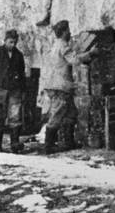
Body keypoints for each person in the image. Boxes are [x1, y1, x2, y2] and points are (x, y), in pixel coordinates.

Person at [40, 20, 96, 154]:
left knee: (71, 113)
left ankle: (68, 142)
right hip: (60, 86)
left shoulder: (55, 45)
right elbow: (74, 60)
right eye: (68, 30)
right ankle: (49, 145)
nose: (70, 32)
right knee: (57, 114)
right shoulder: (63, 45)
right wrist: (91, 54)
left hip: (59, 85)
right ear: (64, 32)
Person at [0, 29, 28, 153]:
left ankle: (14, 143)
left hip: (15, 90)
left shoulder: (19, 55)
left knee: (15, 116)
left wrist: (23, 90)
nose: (12, 45)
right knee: (0, 116)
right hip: (1, 89)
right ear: (5, 41)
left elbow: (22, 74)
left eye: (14, 42)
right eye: (10, 42)